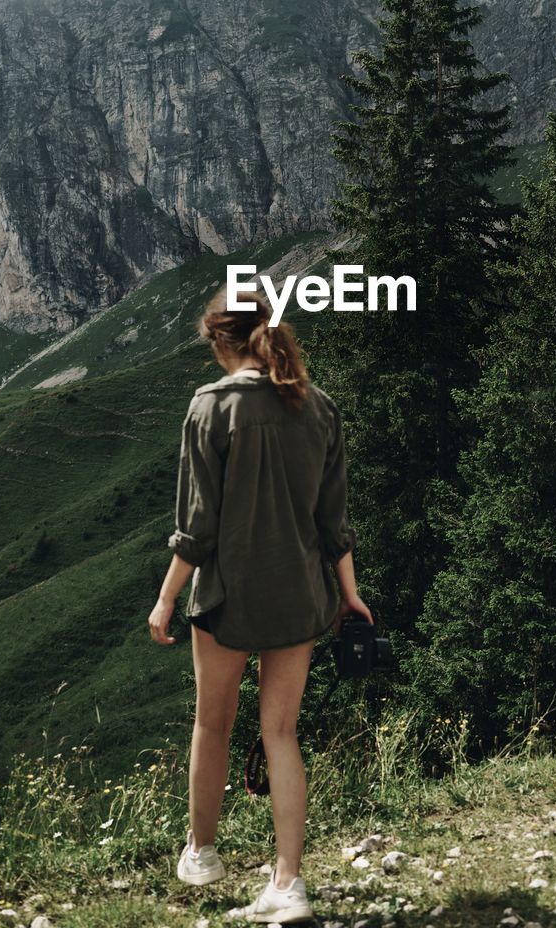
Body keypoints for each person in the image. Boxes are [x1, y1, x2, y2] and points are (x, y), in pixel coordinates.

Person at [148, 286, 372, 923]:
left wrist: (166, 600)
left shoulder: (211, 406)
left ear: (222, 343)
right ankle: (289, 883)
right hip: (300, 595)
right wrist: (349, 595)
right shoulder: (318, 406)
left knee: (212, 723)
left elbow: (198, 528)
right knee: (281, 732)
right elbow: (335, 524)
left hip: (228, 596)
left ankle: (203, 853)